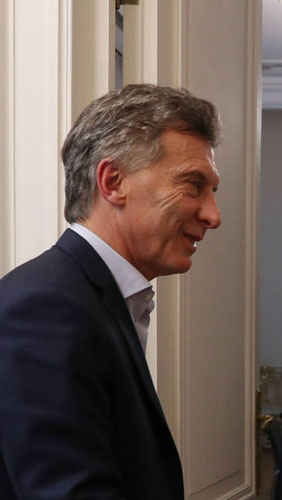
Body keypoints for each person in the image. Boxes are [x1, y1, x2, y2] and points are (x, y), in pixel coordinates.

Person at [0, 84, 222, 499]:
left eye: (212, 191)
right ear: (113, 181)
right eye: (193, 184)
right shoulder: (46, 308)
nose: (213, 215)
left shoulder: (91, 297)